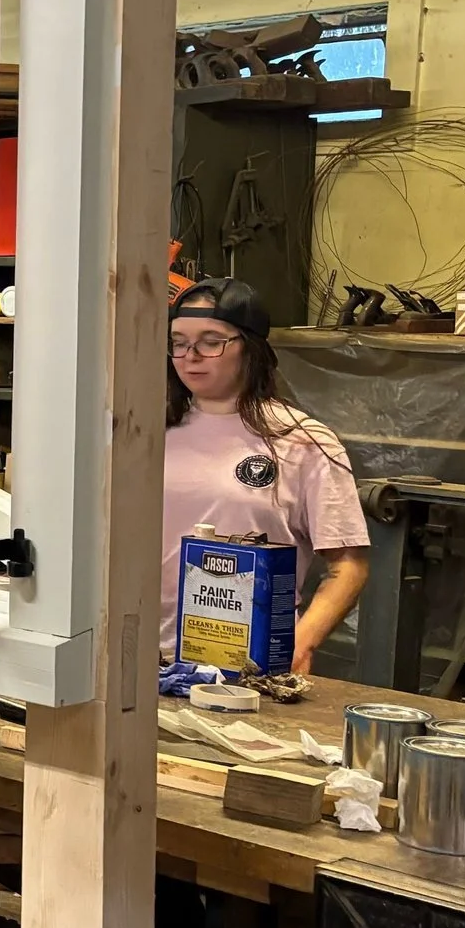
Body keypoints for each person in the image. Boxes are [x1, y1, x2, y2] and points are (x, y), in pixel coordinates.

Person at [161, 278, 369, 673]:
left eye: (210, 341)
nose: (191, 356)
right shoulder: (146, 432)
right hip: (142, 656)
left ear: (251, 348)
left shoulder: (302, 441)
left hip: (247, 665)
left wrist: (300, 645)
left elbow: (348, 566)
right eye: (179, 342)